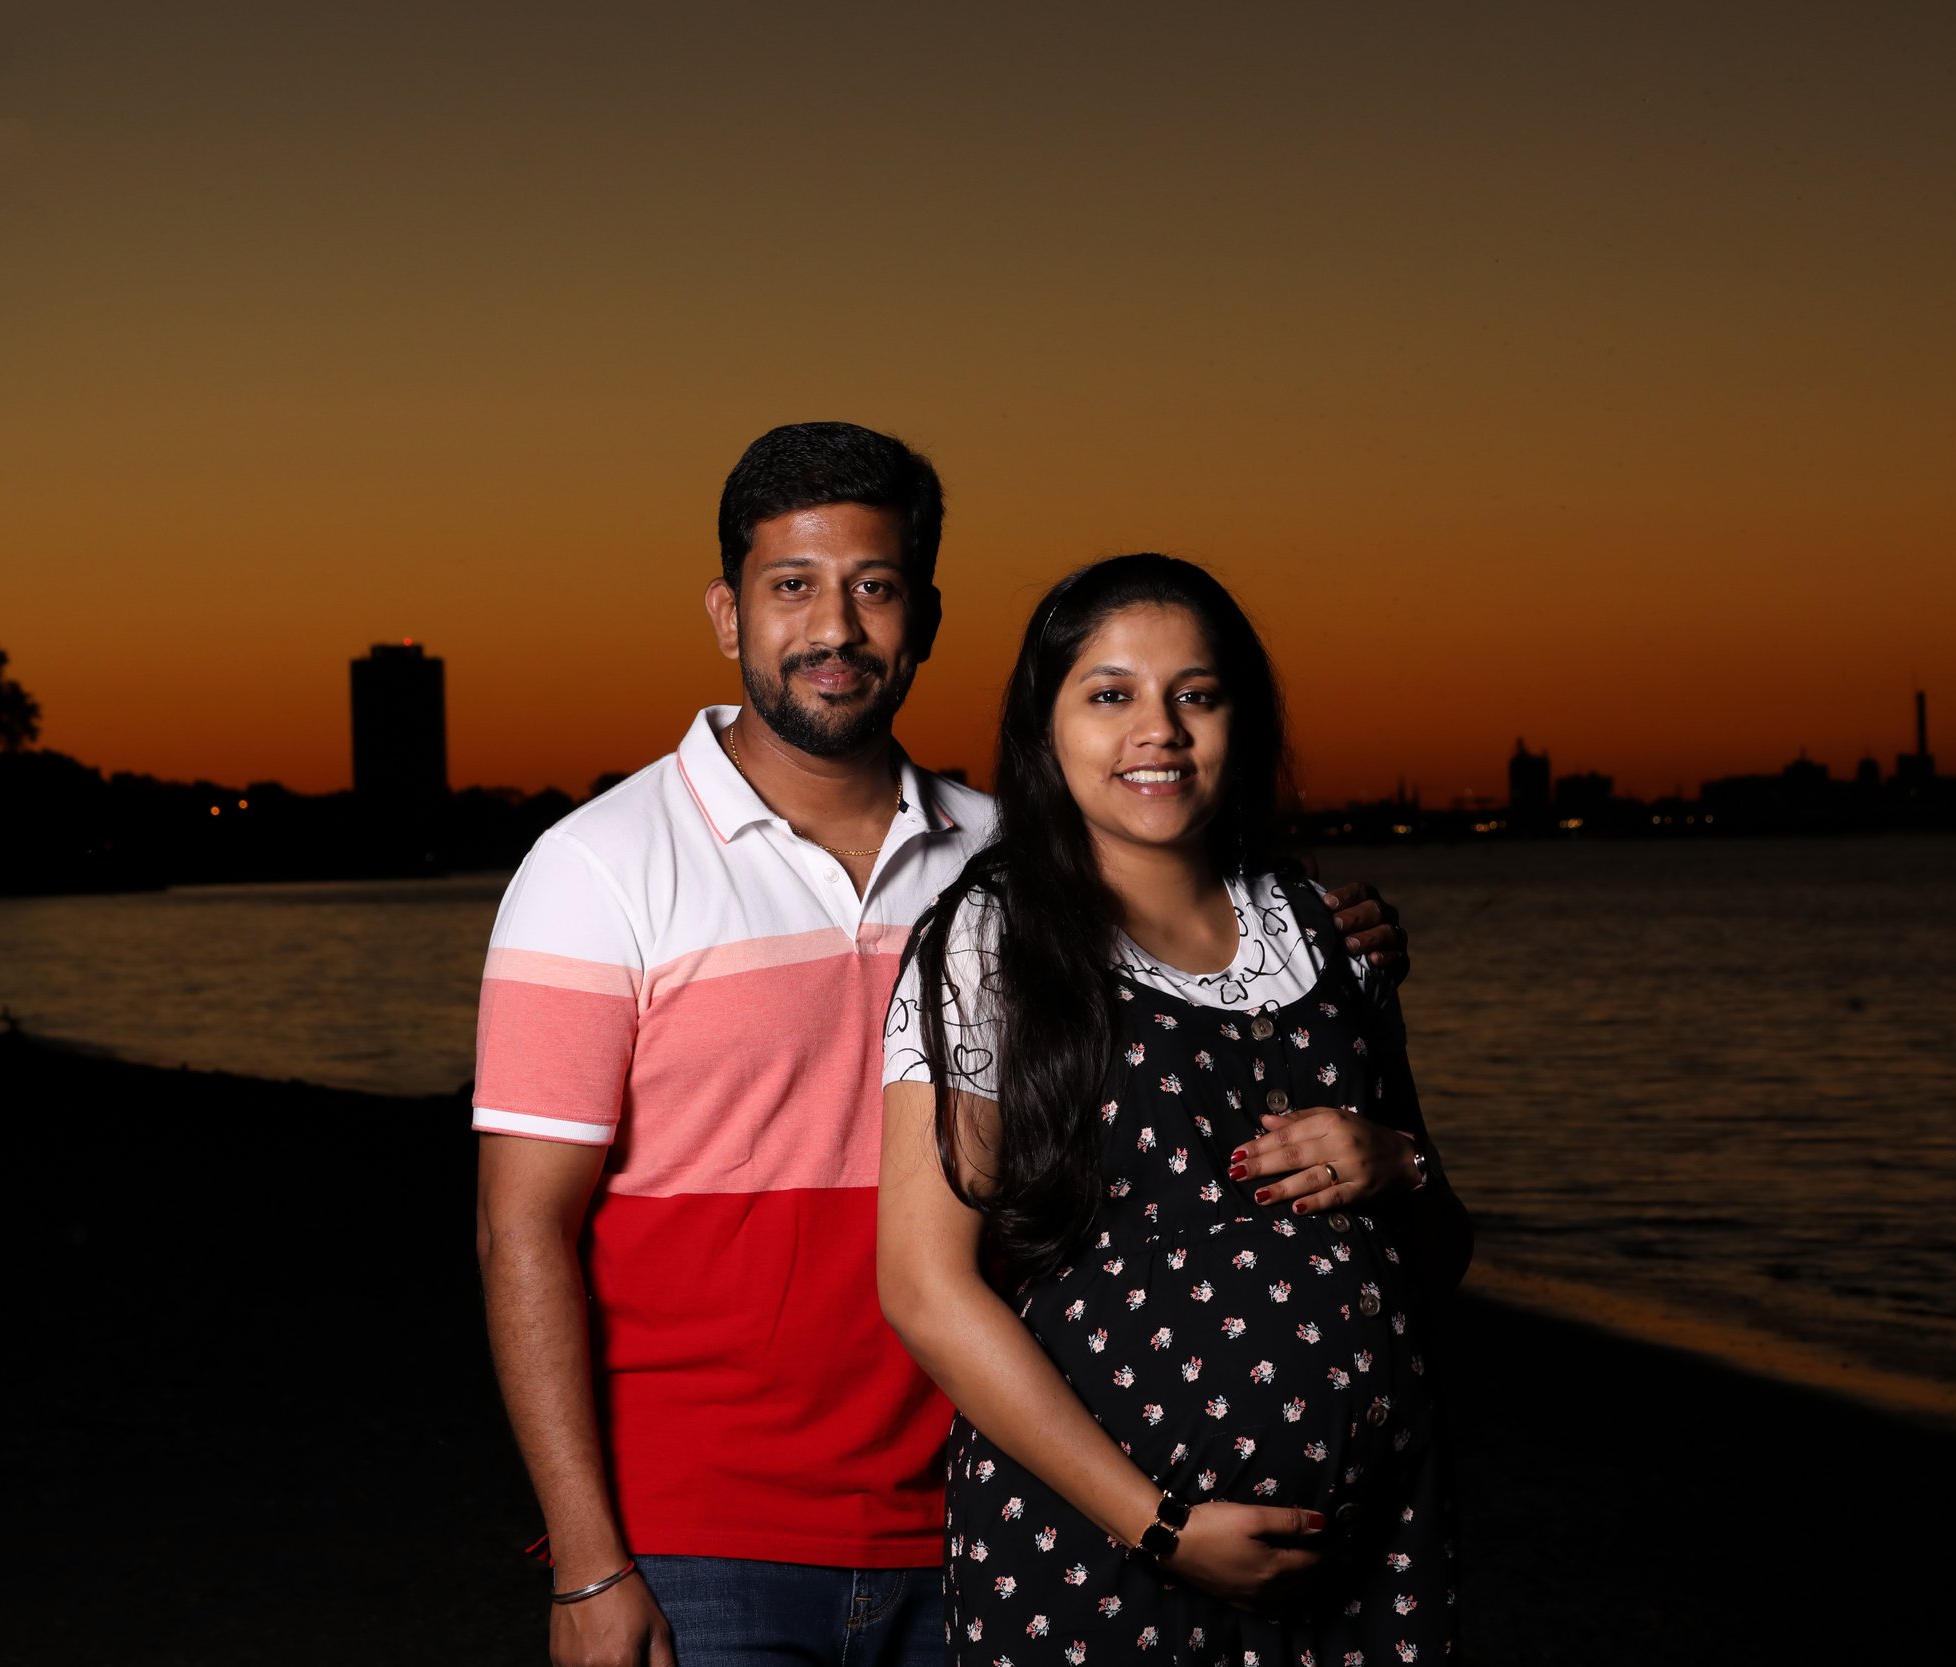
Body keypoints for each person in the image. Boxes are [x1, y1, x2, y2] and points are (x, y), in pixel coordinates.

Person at [473, 427, 1409, 1667]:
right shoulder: (596, 866)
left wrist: (1335, 944)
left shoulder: (1021, 861)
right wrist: (588, 1559)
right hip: (705, 1531)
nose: (835, 627)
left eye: (874, 586)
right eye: (792, 585)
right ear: (727, 612)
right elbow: (522, 1228)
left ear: (922, 617)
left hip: (990, 1501)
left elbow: (1204, 966)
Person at [878, 554, 1470, 1667]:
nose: (1159, 728)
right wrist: (1157, 1524)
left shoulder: (1328, 931)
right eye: (1110, 694)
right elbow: (922, 1284)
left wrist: (1402, 1167)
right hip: (1097, 1552)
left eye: (1196, 693)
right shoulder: (990, 940)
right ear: (1045, 726)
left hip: (1369, 1547)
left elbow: (1439, 1256)